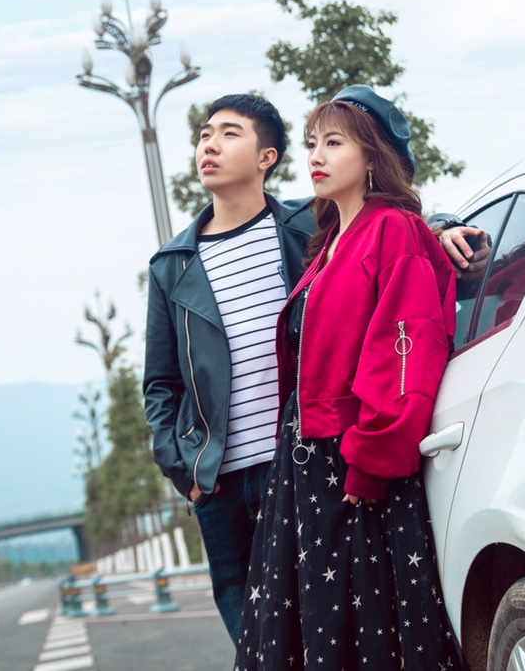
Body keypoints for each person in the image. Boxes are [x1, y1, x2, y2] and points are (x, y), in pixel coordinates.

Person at [143, 92, 474, 645]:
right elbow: (160, 381)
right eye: (204, 135)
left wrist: (445, 229)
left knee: (325, 633)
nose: (209, 145)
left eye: (228, 133)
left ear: (267, 157)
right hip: (222, 482)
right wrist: (185, 469)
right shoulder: (172, 265)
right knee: (259, 641)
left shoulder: (306, 227)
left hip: (306, 462)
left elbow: (388, 233)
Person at [234, 86, 464, 670]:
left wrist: (372, 460)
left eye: (334, 143)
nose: (316, 155)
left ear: (372, 155)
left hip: (353, 465)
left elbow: (404, 349)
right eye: (312, 143)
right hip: (306, 467)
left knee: (364, 635)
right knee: (315, 634)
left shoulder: (394, 230)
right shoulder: (328, 244)